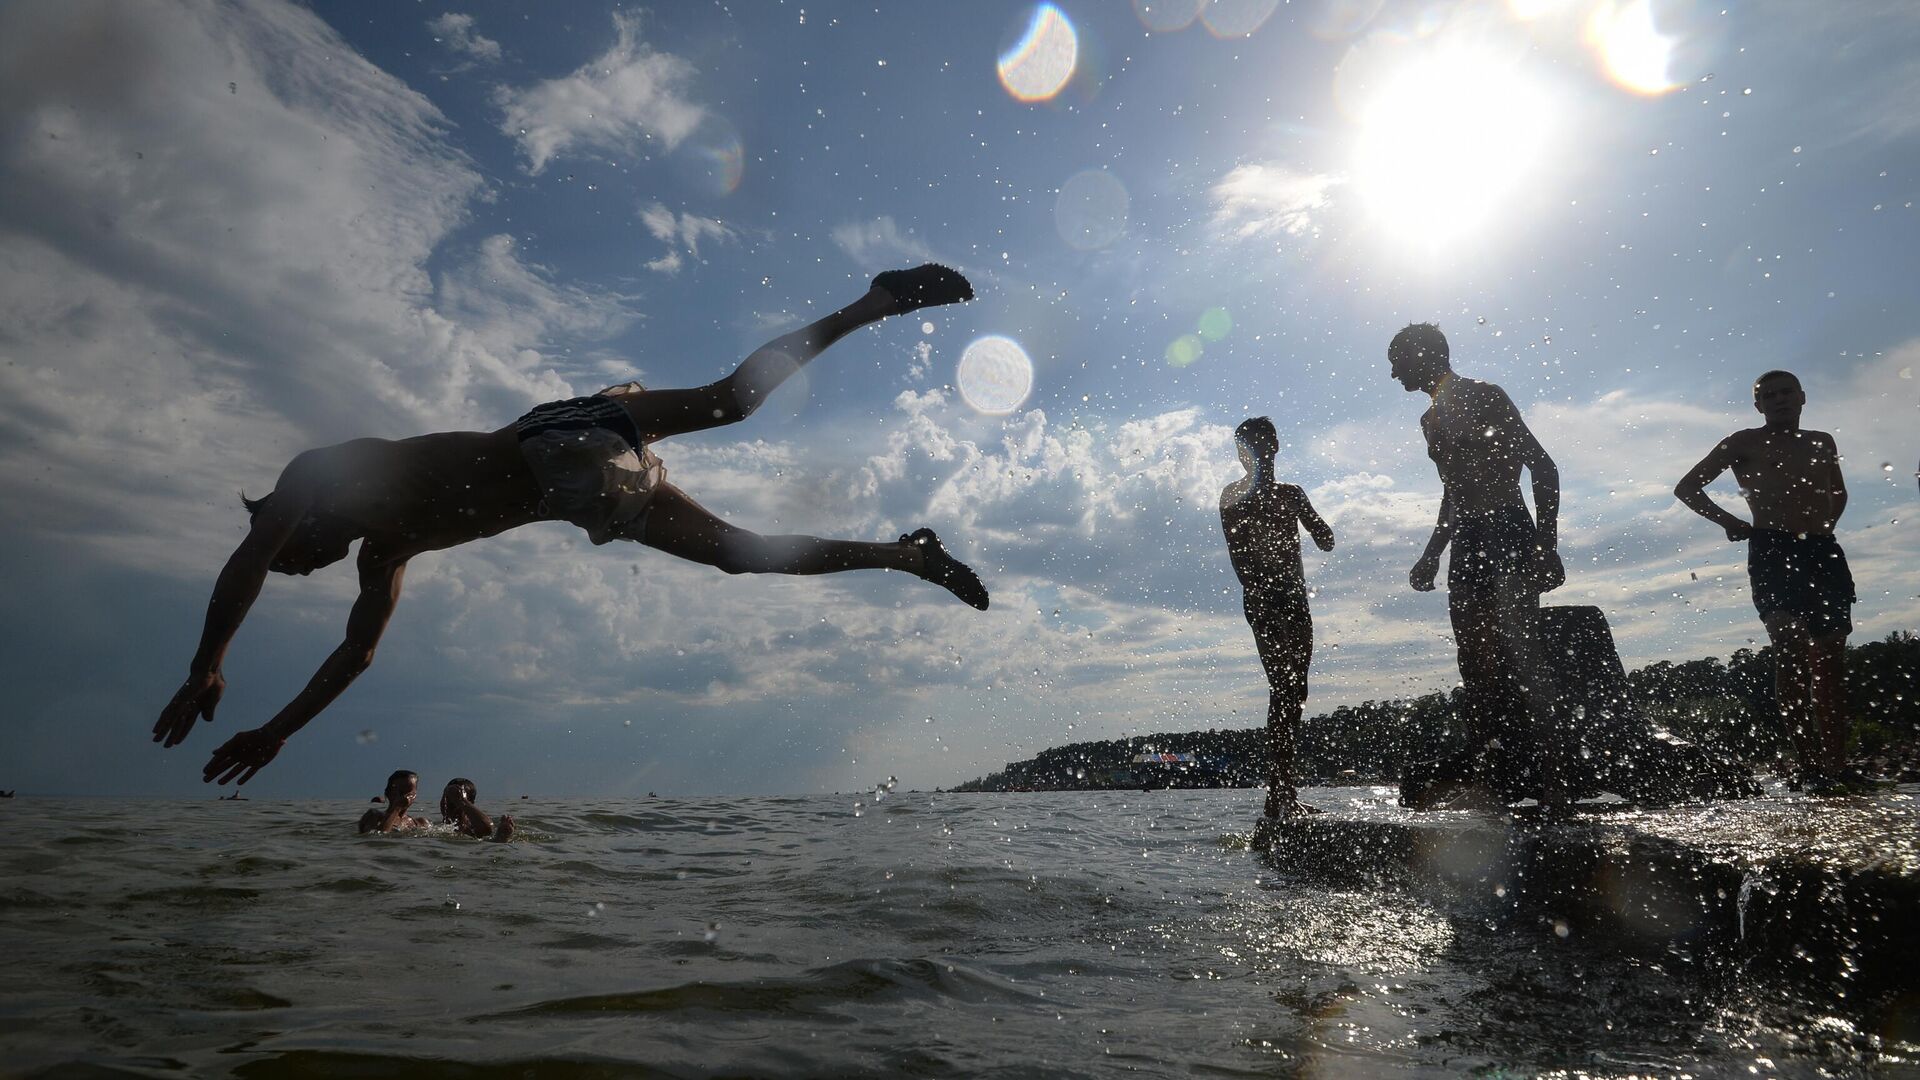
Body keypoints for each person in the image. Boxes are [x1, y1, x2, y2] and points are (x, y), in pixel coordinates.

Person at [153, 266, 987, 786]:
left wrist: (205, 667)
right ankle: (907, 556)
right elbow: (357, 653)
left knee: (729, 401)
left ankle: (879, 298)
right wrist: (275, 733)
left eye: (298, 562)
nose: (309, 566)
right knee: (738, 557)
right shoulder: (386, 553)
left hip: (553, 438)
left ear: (280, 520)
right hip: (575, 499)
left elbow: (248, 563)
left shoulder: (323, 473)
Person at [1389, 323, 1566, 809]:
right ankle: (1496, 771)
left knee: (1524, 656)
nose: (1391, 373)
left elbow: (1542, 465)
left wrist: (1545, 544)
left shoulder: (1486, 396)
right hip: (1467, 541)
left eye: (1396, 361)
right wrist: (1433, 551)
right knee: (1475, 663)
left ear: (1425, 356)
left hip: (1508, 530)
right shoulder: (1428, 421)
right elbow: (1454, 492)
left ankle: (1556, 780)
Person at [1674, 370, 1856, 792]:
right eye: (1767, 395)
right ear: (1757, 406)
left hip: (1822, 552)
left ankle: (1838, 766)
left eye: (1785, 392)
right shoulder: (1742, 442)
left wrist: (1825, 526)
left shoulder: (1821, 441)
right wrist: (1729, 521)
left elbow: (1839, 491)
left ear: (1802, 397)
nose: (1778, 400)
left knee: (1829, 662)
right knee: (1790, 645)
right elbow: (1687, 487)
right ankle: (1810, 766)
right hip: (1772, 549)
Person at [1220, 417, 1334, 819]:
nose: (1252, 453)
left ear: (1275, 446)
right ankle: (1279, 793)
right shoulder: (1232, 497)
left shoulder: (1292, 494)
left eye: (1259, 444)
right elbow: (1240, 560)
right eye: (1245, 446)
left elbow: (1327, 539)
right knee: (1283, 687)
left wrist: (1311, 519)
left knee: (1296, 692)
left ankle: (1283, 791)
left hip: (1295, 601)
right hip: (1264, 600)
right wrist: (1264, 596)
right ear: (1240, 454)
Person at [440, 777, 514, 841]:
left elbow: (486, 830)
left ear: (470, 803)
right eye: (447, 796)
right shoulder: (434, 828)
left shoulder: (472, 828)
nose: (451, 801)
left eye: (457, 796)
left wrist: (461, 800)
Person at [358, 770, 430, 834]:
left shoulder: (421, 823)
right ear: (388, 793)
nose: (404, 796)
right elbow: (378, 838)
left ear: (415, 795)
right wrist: (396, 809)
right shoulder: (373, 816)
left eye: (409, 792)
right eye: (401, 792)